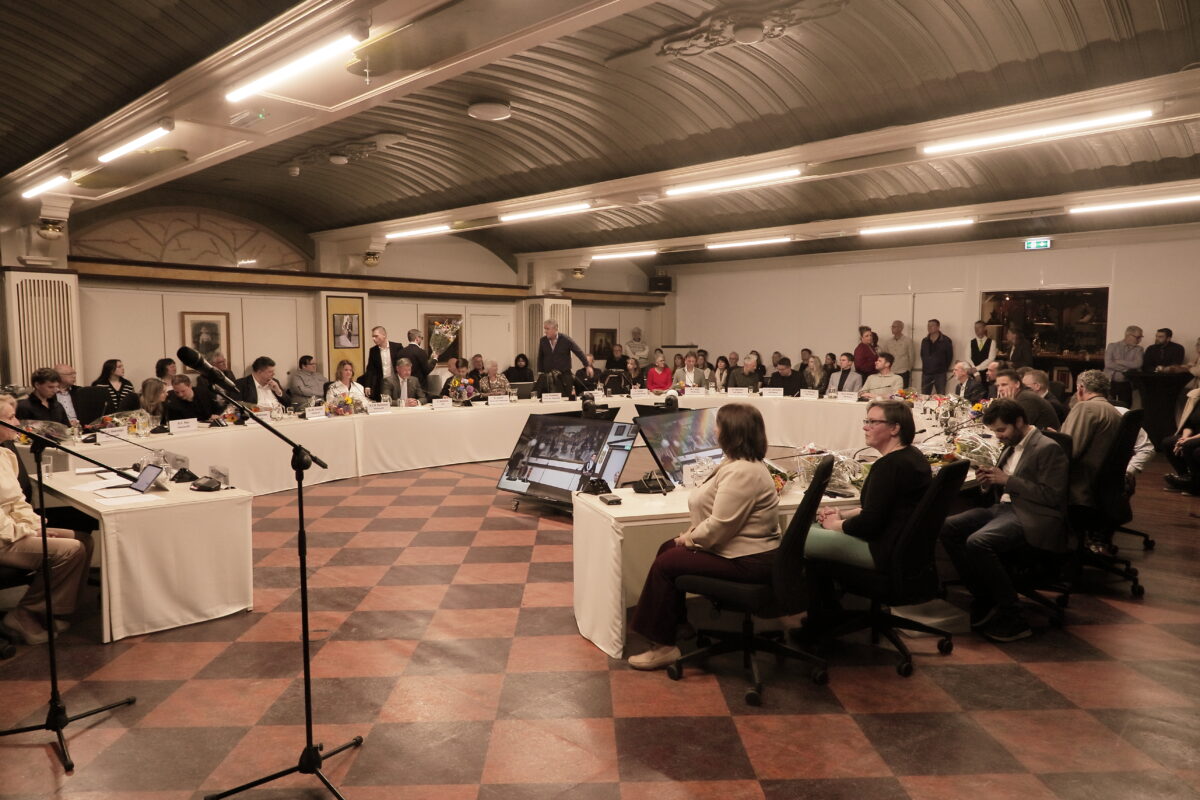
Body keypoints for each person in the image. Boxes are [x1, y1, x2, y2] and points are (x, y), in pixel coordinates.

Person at [627, 403, 782, 669]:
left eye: (718, 426)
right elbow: (721, 520)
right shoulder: (739, 464)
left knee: (666, 563)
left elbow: (721, 526)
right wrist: (691, 535)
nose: (715, 431)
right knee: (667, 548)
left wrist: (689, 539)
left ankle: (663, 647)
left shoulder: (743, 472)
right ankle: (678, 625)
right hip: (743, 551)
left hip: (748, 560)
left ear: (732, 432)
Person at [939, 398, 1069, 643]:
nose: (998, 436)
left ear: (1019, 422)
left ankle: (1013, 615)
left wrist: (1007, 480)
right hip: (1005, 508)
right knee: (947, 527)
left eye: (1001, 430)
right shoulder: (1011, 444)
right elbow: (1004, 484)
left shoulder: (1047, 448)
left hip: (1034, 514)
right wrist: (988, 482)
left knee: (978, 541)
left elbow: (1052, 496)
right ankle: (986, 595)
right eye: (995, 431)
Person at [0, 395, 90, 646]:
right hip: (3, 536)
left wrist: (35, 526)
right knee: (70, 550)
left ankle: (49, 611)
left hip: (13, 529)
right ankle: (24, 614)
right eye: (10, 418)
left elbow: (17, 501)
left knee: (83, 540)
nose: (16, 422)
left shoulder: (4, 454)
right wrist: (28, 532)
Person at [808, 400, 931, 583]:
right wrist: (841, 514)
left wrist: (835, 524)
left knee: (801, 536)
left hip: (884, 550)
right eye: (866, 421)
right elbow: (881, 510)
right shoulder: (912, 456)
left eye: (873, 422)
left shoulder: (889, 466)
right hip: (907, 549)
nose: (865, 427)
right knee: (816, 530)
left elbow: (869, 523)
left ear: (894, 428)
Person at [1060, 370, 1122, 507]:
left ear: (1081, 388)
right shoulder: (1114, 411)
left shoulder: (1085, 407)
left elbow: (1070, 450)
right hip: (1102, 483)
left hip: (1080, 484)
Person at [993, 369, 1059, 430]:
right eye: (998, 386)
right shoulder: (1020, 396)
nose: (1000, 389)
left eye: (1004, 385)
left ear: (1017, 384)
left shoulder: (1027, 398)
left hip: (1046, 437)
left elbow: (1016, 428)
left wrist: (1008, 405)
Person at [1163, 386, 1200, 494]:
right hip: (1194, 436)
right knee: (1168, 442)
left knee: (1188, 445)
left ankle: (1195, 483)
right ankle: (1184, 477)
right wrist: (1184, 437)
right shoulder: (1196, 397)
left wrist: (1188, 440)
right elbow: (1189, 424)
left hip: (1197, 438)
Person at [1104, 325, 1144, 407]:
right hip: (1109, 382)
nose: (1140, 340)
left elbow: (1137, 364)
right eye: (1138, 337)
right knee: (1107, 406)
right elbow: (1108, 364)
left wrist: (1119, 361)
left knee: (1126, 406)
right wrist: (1126, 369)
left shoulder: (1139, 349)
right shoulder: (1112, 346)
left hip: (1127, 383)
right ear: (1128, 335)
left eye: (1141, 337)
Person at [363, 326, 406, 399]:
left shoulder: (397, 347)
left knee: (397, 402)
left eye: (376, 336)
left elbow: (403, 365)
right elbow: (370, 369)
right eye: (373, 336)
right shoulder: (373, 350)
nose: (373, 339)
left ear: (384, 335)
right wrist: (367, 385)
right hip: (381, 383)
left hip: (396, 382)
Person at [920, 319, 954, 394]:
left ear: (938, 327)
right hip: (926, 373)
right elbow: (922, 355)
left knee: (941, 395)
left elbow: (949, 357)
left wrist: (943, 368)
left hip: (940, 373)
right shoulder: (925, 341)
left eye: (932, 325)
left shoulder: (946, 340)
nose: (929, 327)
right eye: (928, 326)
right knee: (924, 395)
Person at [879, 320, 916, 388]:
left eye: (894, 327)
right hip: (891, 372)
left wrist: (908, 369)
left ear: (900, 328)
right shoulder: (888, 342)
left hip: (903, 371)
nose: (892, 328)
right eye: (892, 327)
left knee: (903, 391)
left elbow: (911, 356)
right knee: (890, 390)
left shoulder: (908, 341)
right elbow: (885, 357)